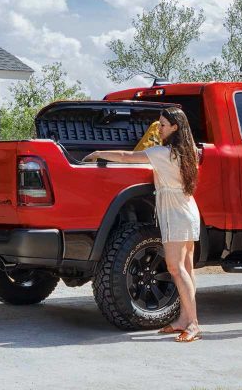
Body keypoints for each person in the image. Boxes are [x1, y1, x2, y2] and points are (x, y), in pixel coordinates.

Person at [82, 107, 203, 342]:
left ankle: (193, 323)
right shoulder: (189, 152)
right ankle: (183, 319)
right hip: (188, 210)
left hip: (176, 214)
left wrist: (98, 153)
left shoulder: (162, 153)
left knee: (176, 268)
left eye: (163, 125)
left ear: (175, 128)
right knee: (186, 268)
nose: (159, 128)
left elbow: (127, 157)